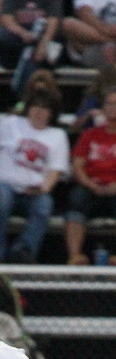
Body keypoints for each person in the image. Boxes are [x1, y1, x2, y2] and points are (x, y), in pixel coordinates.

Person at [0, 91, 69, 264]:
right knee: (2, 198)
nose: (38, 111)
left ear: (51, 113)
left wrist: (43, 189)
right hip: (0, 187)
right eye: (35, 106)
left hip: (31, 192)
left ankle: (23, 251)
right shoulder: (10, 124)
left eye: (44, 108)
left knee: (44, 204)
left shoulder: (57, 136)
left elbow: (55, 171)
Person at [64, 86, 116, 265]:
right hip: (91, 185)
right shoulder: (89, 135)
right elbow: (78, 164)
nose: (112, 108)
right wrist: (89, 184)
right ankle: (75, 255)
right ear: (102, 108)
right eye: (109, 104)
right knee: (76, 200)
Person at [0, 0, 62, 97]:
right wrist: (23, 34)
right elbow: (6, 18)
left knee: (35, 53)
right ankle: (28, 53)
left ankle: (24, 99)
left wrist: (43, 43)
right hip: (19, 40)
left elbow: (54, 21)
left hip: (42, 40)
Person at [62, 0, 116, 70]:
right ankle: (110, 41)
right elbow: (84, 13)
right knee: (68, 23)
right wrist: (107, 30)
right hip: (95, 43)